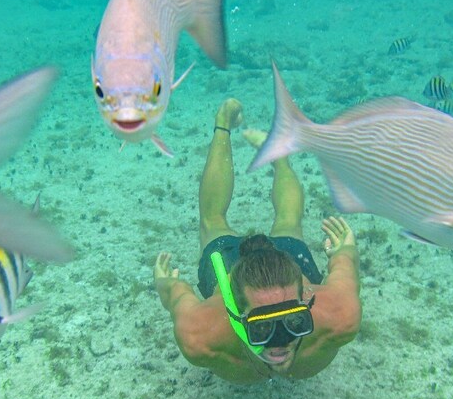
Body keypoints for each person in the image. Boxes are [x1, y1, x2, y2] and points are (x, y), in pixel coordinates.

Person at [153, 99, 361, 384]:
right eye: (262, 328)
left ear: (306, 299)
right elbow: (176, 298)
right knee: (214, 220)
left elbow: (345, 267)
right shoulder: (199, 336)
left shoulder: (341, 317)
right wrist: (169, 287)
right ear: (236, 314)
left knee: (287, 220)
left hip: (278, 266)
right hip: (230, 270)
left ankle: (279, 158)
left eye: (294, 322)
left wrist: (344, 253)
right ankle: (222, 124)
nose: (280, 344)